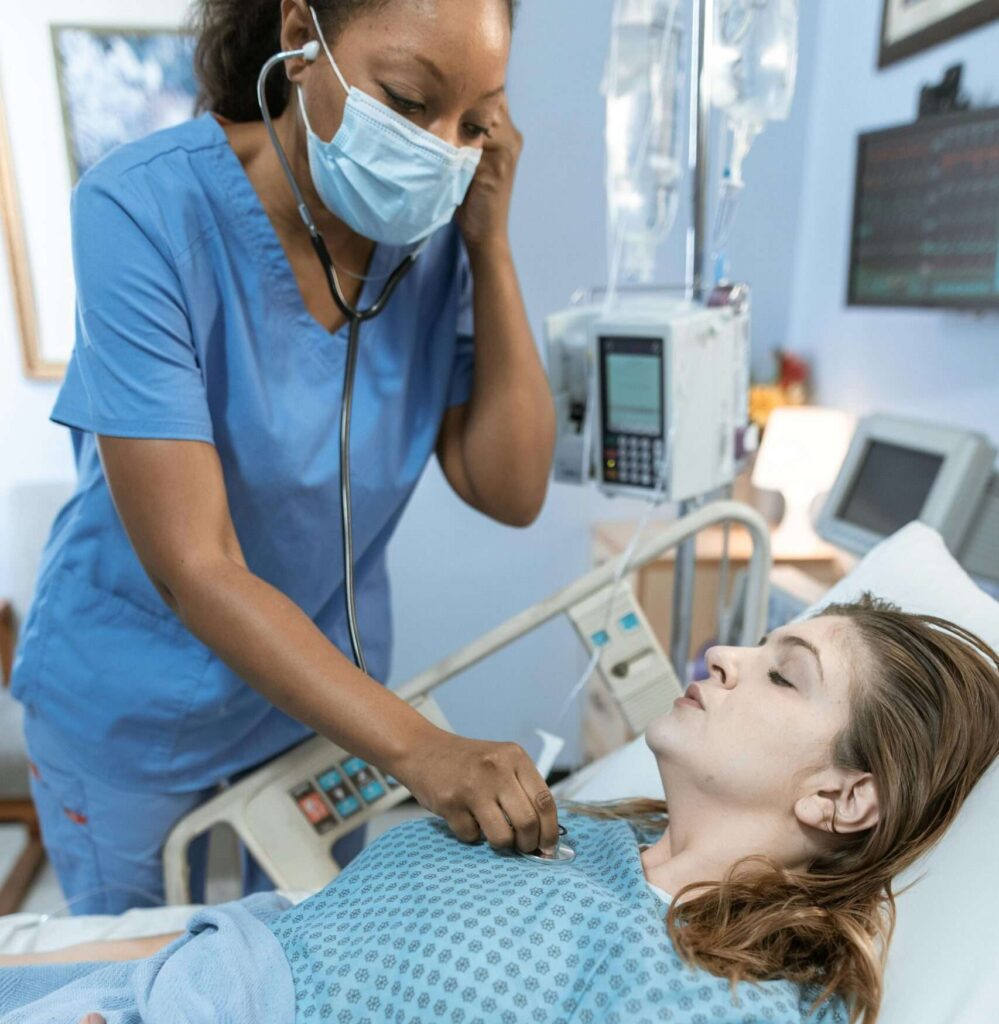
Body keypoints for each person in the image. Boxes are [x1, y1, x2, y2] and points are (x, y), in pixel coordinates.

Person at [10, 0, 560, 916]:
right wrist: (421, 748)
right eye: (407, 100)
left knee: (293, 968)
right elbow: (196, 565)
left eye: (475, 122)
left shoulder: (432, 247)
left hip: (319, 710)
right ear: (301, 37)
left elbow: (511, 488)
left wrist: (489, 246)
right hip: (134, 713)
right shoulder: (141, 208)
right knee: (145, 984)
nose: (439, 148)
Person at [5, 596, 997, 1024]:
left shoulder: (729, 993)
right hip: (168, 974)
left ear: (843, 794)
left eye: (784, 676)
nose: (727, 654)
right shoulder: (596, 837)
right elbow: (305, 935)